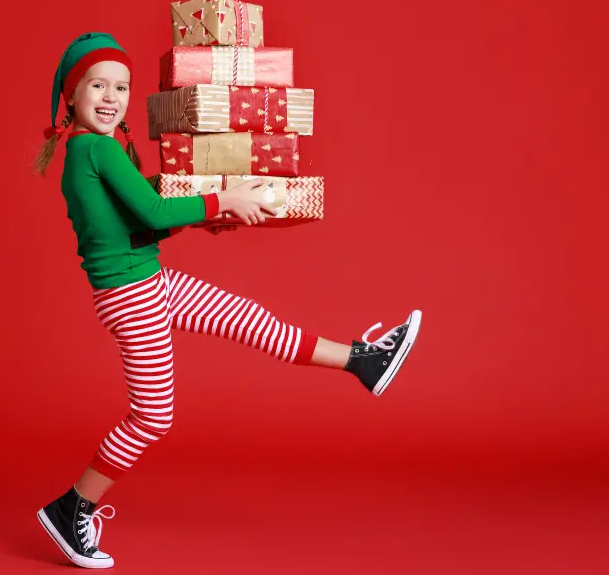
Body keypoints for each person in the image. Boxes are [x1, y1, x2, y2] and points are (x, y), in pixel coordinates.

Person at [33, 32, 421, 569]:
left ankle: (364, 360)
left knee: (249, 319)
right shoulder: (95, 147)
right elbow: (154, 212)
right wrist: (223, 199)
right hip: (133, 295)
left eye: (120, 86)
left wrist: (210, 214)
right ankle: (72, 507)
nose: (110, 97)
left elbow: (129, 229)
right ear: (72, 96)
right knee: (152, 417)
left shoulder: (90, 152)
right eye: (97, 85)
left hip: (144, 284)